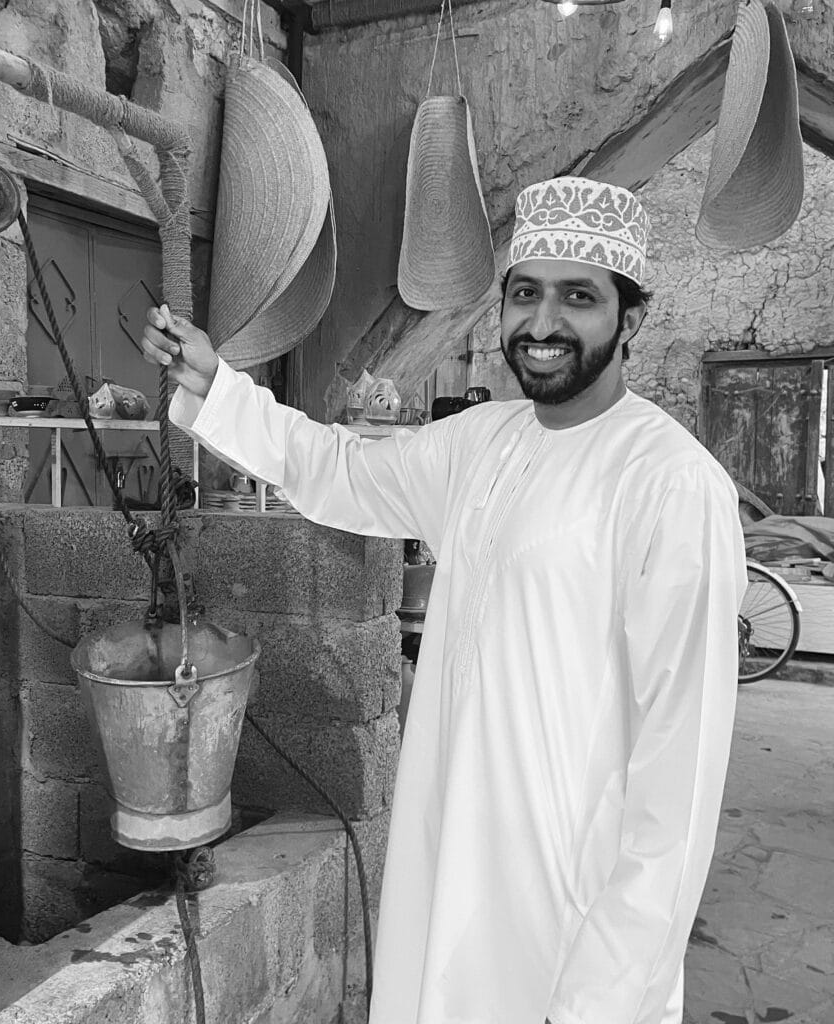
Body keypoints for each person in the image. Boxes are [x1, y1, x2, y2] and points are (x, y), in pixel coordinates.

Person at [142, 176, 747, 1024]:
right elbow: (343, 469)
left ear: (632, 318)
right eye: (525, 294)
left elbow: (679, 777)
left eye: (579, 297)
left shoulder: (672, 486)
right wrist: (218, 387)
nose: (542, 325)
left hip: (562, 912)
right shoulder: (482, 441)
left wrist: (611, 990)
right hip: (448, 858)